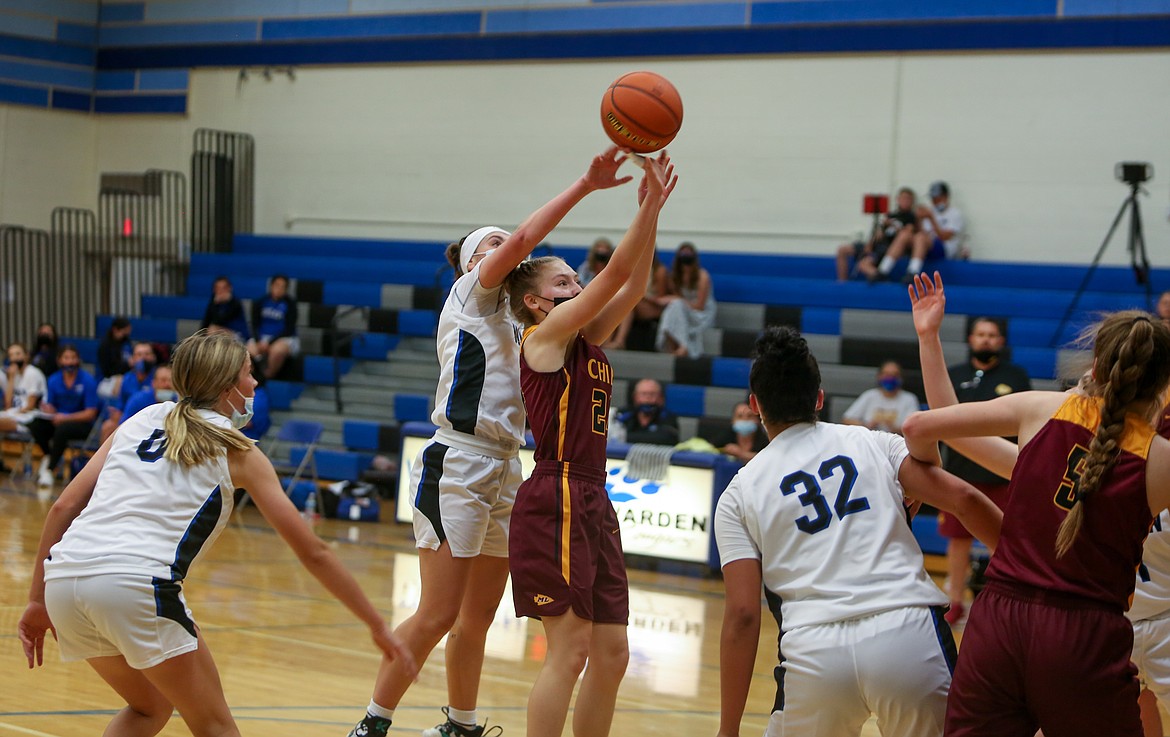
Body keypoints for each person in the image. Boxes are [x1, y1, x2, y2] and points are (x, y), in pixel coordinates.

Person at [346, 146, 636, 737]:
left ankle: (461, 722)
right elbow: (529, 237)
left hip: (508, 466)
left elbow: (608, 295)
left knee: (478, 616)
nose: (510, 248)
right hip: (456, 457)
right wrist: (585, 184)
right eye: (494, 245)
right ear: (474, 265)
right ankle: (374, 721)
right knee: (437, 612)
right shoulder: (470, 297)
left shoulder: (530, 321)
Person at [16, 332, 415, 737]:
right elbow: (313, 552)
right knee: (216, 728)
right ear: (227, 388)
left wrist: (35, 600)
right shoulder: (237, 449)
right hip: (135, 584)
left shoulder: (142, 418)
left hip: (63, 582)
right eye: (249, 373)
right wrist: (376, 625)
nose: (255, 383)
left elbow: (64, 507)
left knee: (149, 707)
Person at [909, 271, 1170, 737]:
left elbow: (926, 425)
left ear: (1095, 364)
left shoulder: (1040, 411)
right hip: (1084, 637)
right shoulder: (1158, 459)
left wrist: (928, 338)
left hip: (998, 622)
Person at [714, 326, 1001, 737]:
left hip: (813, 651)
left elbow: (742, 616)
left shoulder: (739, 492)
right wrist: (1031, 565)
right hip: (906, 632)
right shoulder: (874, 443)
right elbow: (967, 500)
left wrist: (727, 730)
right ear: (819, 398)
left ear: (755, 405)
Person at [504, 151, 674, 737]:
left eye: (577, 280)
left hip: (593, 498)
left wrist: (652, 214)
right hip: (555, 494)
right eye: (564, 282)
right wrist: (647, 203)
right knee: (570, 650)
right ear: (534, 300)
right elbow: (614, 275)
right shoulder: (541, 338)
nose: (577, 288)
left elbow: (634, 283)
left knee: (611, 655)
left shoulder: (586, 341)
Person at [936, 315, 1031, 625]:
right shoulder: (955, 375)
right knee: (958, 541)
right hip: (961, 475)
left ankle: (998, 602)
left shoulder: (1017, 378)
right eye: (981, 334)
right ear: (971, 339)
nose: (986, 339)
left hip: (1003, 475)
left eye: (992, 335)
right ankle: (954, 601)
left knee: (1000, 542)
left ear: (1001, 341)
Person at [28, 345, 100, 487]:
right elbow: (52, 406)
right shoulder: (54, 380)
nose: (70, 362)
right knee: (35, 424)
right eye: (66, 358)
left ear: (78, 360)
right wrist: (48, 409)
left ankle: (49, 470)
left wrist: (65, 418)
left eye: (73, 358)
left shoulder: (87, 380)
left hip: (82, 424)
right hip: (58, 420)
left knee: (62, 430)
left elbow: (90, 413)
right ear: (60, 360)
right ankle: (50, 455)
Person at [883, 181, 967, 284]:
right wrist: (918, 219)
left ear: (945, 197)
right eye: (933, 199)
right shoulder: (930, 211)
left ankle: (913, 271)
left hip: (944, 248)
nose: (934, 201)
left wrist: (931, 218)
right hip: (925, 245)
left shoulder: (954, 214)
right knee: (905, 235)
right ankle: (884, 269)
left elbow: (945, 236)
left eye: (937, 198)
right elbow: (920, 232)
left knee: (920, 238)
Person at [839, 187, 918, 283]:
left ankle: (882, 279)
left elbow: (908, 233)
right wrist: (871, 243)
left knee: (863, 265)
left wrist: (893, 225)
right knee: (842, 249)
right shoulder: (891, 215)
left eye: (908, 199)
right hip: (877, 244)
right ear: (898, 199)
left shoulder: (911, 217)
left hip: (888, 248)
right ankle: (842, 283)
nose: (905, 201)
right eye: (903, 198)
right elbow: (879, 233)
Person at [656, 241, 716, 358]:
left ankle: (683, 346)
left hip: (701, 315)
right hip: (683, 311)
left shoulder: (702, 276)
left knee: (676, 304)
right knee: (673, 306)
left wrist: (678, 300)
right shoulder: (674, 277)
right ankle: (672, 344)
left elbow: (700, 306)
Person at [607, 251, 673, 351]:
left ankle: (620, 341)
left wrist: (642, 296)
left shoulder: (659, 271)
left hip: (654, 307)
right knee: (620, 303)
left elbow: (660, 299)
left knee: (629, 303)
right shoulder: (633, 268)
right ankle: (606, 340)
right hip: (637, 301)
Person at [841, 360, 922, 434]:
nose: (890, 378)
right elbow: (847, 419)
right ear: (879, 376)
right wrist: (866, 426)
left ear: (901, 378)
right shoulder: (869, 395)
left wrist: (894, 428)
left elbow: (915, 427)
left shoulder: (909, 399)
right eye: (886, 374)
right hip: (871, 440)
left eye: (895, 375)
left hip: (897, 441)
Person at [101, 342, 158, 443]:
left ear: (153, 357)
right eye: (139, 355)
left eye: (147, 354)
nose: (143, 358)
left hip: (152, 421)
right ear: (132, 359)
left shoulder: (159, 378)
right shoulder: (127, 379)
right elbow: (120, 407)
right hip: (128, 419)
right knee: (108, 426)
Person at [247, 274, 299, 380]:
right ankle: (251, 378)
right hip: (262, 337)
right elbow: (254, 325)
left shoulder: (290, 304)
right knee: (247, 351)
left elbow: (289, 329)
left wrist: (270, 343)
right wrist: (258, 341)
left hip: (284, 338)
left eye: (283, 287)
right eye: (277, 285)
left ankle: (265, 378)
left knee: (277, 351)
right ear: (271, 286)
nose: (279, 289)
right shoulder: (260, 302)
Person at [0, 342, 47, 434]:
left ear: (26, 356)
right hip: (15, 414)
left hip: (32, 416)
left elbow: (31, 405)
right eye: (11, 355)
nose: (15, 358)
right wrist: (11, 379)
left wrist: (13, 414)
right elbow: (8, 405)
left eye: (18, 354)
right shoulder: (13, 375)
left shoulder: (33, 373)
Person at [617, 378, 679, 446]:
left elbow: (667, 438)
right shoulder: (624, 415)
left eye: (652, 394)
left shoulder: (668, 417)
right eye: (644, 394)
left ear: (661, 398)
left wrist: (624, 437)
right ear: (635, 397)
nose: (648, 398)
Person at [200, 276, 250, 342]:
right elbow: (205, 324)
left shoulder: (235, 303)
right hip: (221, 334)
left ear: (230, 288)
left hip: (239, 335)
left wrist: (215, 305)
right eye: (217, 288)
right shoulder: (212, 303)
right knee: (208, 332)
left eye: (223, 288)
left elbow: (220, 321)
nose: (220, 291)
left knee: (213, 330)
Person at [96, 317, 133, 399]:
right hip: (108, 379)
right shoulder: (105, 346)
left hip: (126, 376)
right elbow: (107, 370)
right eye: (124, 332)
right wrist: (127, 364)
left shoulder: (126, 343)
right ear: (115, 330)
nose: (126, 335)